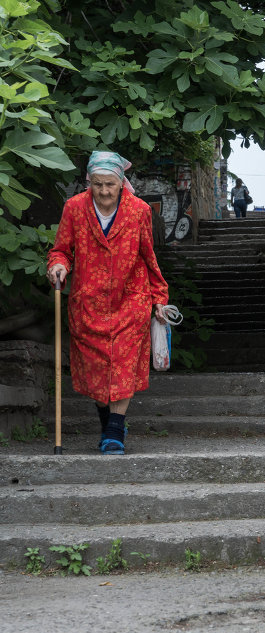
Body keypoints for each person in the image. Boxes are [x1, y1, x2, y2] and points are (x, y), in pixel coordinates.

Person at [47, 150, 169, 455]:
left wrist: (158, 296)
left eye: (109, 185)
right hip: (88, 302)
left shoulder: (139, 210)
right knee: (96, 370)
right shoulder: (74, 208)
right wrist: (58, 265)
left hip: (131, 299)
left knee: (123, 365)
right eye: (97, 184)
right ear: (89, 181)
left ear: (121, 182)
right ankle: (108, 422)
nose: (103, 191)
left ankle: (115, 431)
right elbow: (61, 249)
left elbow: (148, 256)